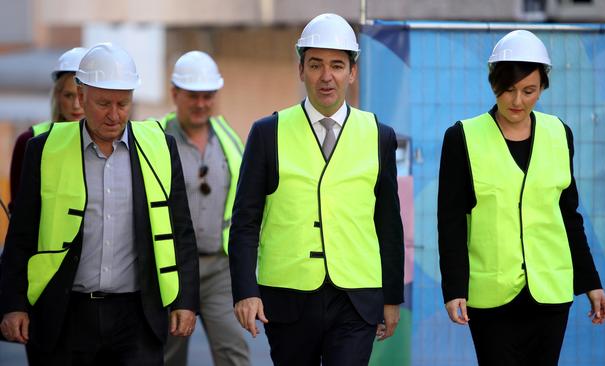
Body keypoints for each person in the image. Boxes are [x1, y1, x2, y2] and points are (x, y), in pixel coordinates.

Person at [0, 43, 200, 365]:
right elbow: (21, 235)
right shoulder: (43, 150)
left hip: (137, 317)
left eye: (123, 104)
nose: (114, 114)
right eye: (103, 103)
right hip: (66, 314)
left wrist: (186, 300)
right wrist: (13, 304)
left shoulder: (161, 147)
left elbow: (181, 230)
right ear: (80, 97)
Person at [228, 13, 405, 366]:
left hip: (356, 298)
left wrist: (391, 298)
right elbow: (245, 221)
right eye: (316, 65)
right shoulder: (267, 133)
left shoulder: (378, 135)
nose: (327, 77)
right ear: (301, 70)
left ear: (352, 72)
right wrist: (246, 292)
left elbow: (388, 223)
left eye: (337, 66)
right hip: (288, 299)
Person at [437, 30, 605, 366]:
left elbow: (569, 215)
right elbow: (451, 221)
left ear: (542, 86)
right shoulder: (462, 137)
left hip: (550, 292)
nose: (517, 101)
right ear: (493, 84)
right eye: (508, 90)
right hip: (490, 295)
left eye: (529, 91)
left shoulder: (560, 133)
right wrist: (454, 287)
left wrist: (591, 282)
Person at [159, 50, 250, 366]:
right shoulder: (154, 139)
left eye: (208, 96)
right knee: (167, 355)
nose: (201, 104)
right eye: (193, 96)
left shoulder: (229, 139)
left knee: (234, 352)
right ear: (174, 94)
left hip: (219, 268)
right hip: (169, 271)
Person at [8, 47, 87, 212]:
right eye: (68, 95)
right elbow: (18, 209)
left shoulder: (111, 144)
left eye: (82, 96)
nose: (76, 105)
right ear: (57, 96)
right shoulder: (29, 140)